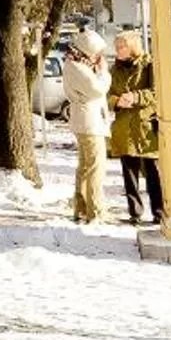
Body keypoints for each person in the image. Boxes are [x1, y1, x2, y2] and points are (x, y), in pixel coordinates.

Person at [109, 29, 165, 226]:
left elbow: (157, 92)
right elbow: (106, 94)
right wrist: (116, 101)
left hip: (145, 127)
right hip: (124, 127)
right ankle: (135, 212)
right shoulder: (114, 70)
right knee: (129, 174)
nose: (117, 50)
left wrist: (136, 97)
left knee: (153, 173)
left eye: (121, 46)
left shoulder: (148, 65)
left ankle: (159, 212)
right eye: (116, 47)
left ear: (132, 47)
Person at [61, 27, 112, 225]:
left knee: (85, 166)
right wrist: (104, 72)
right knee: (95, 168)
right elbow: (97, 89)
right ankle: (95, 211)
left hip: (85, 121)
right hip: (89, 122)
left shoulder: (76, 64)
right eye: (97, 53)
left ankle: (81, 208)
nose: (99, 57)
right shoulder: (77, 67)